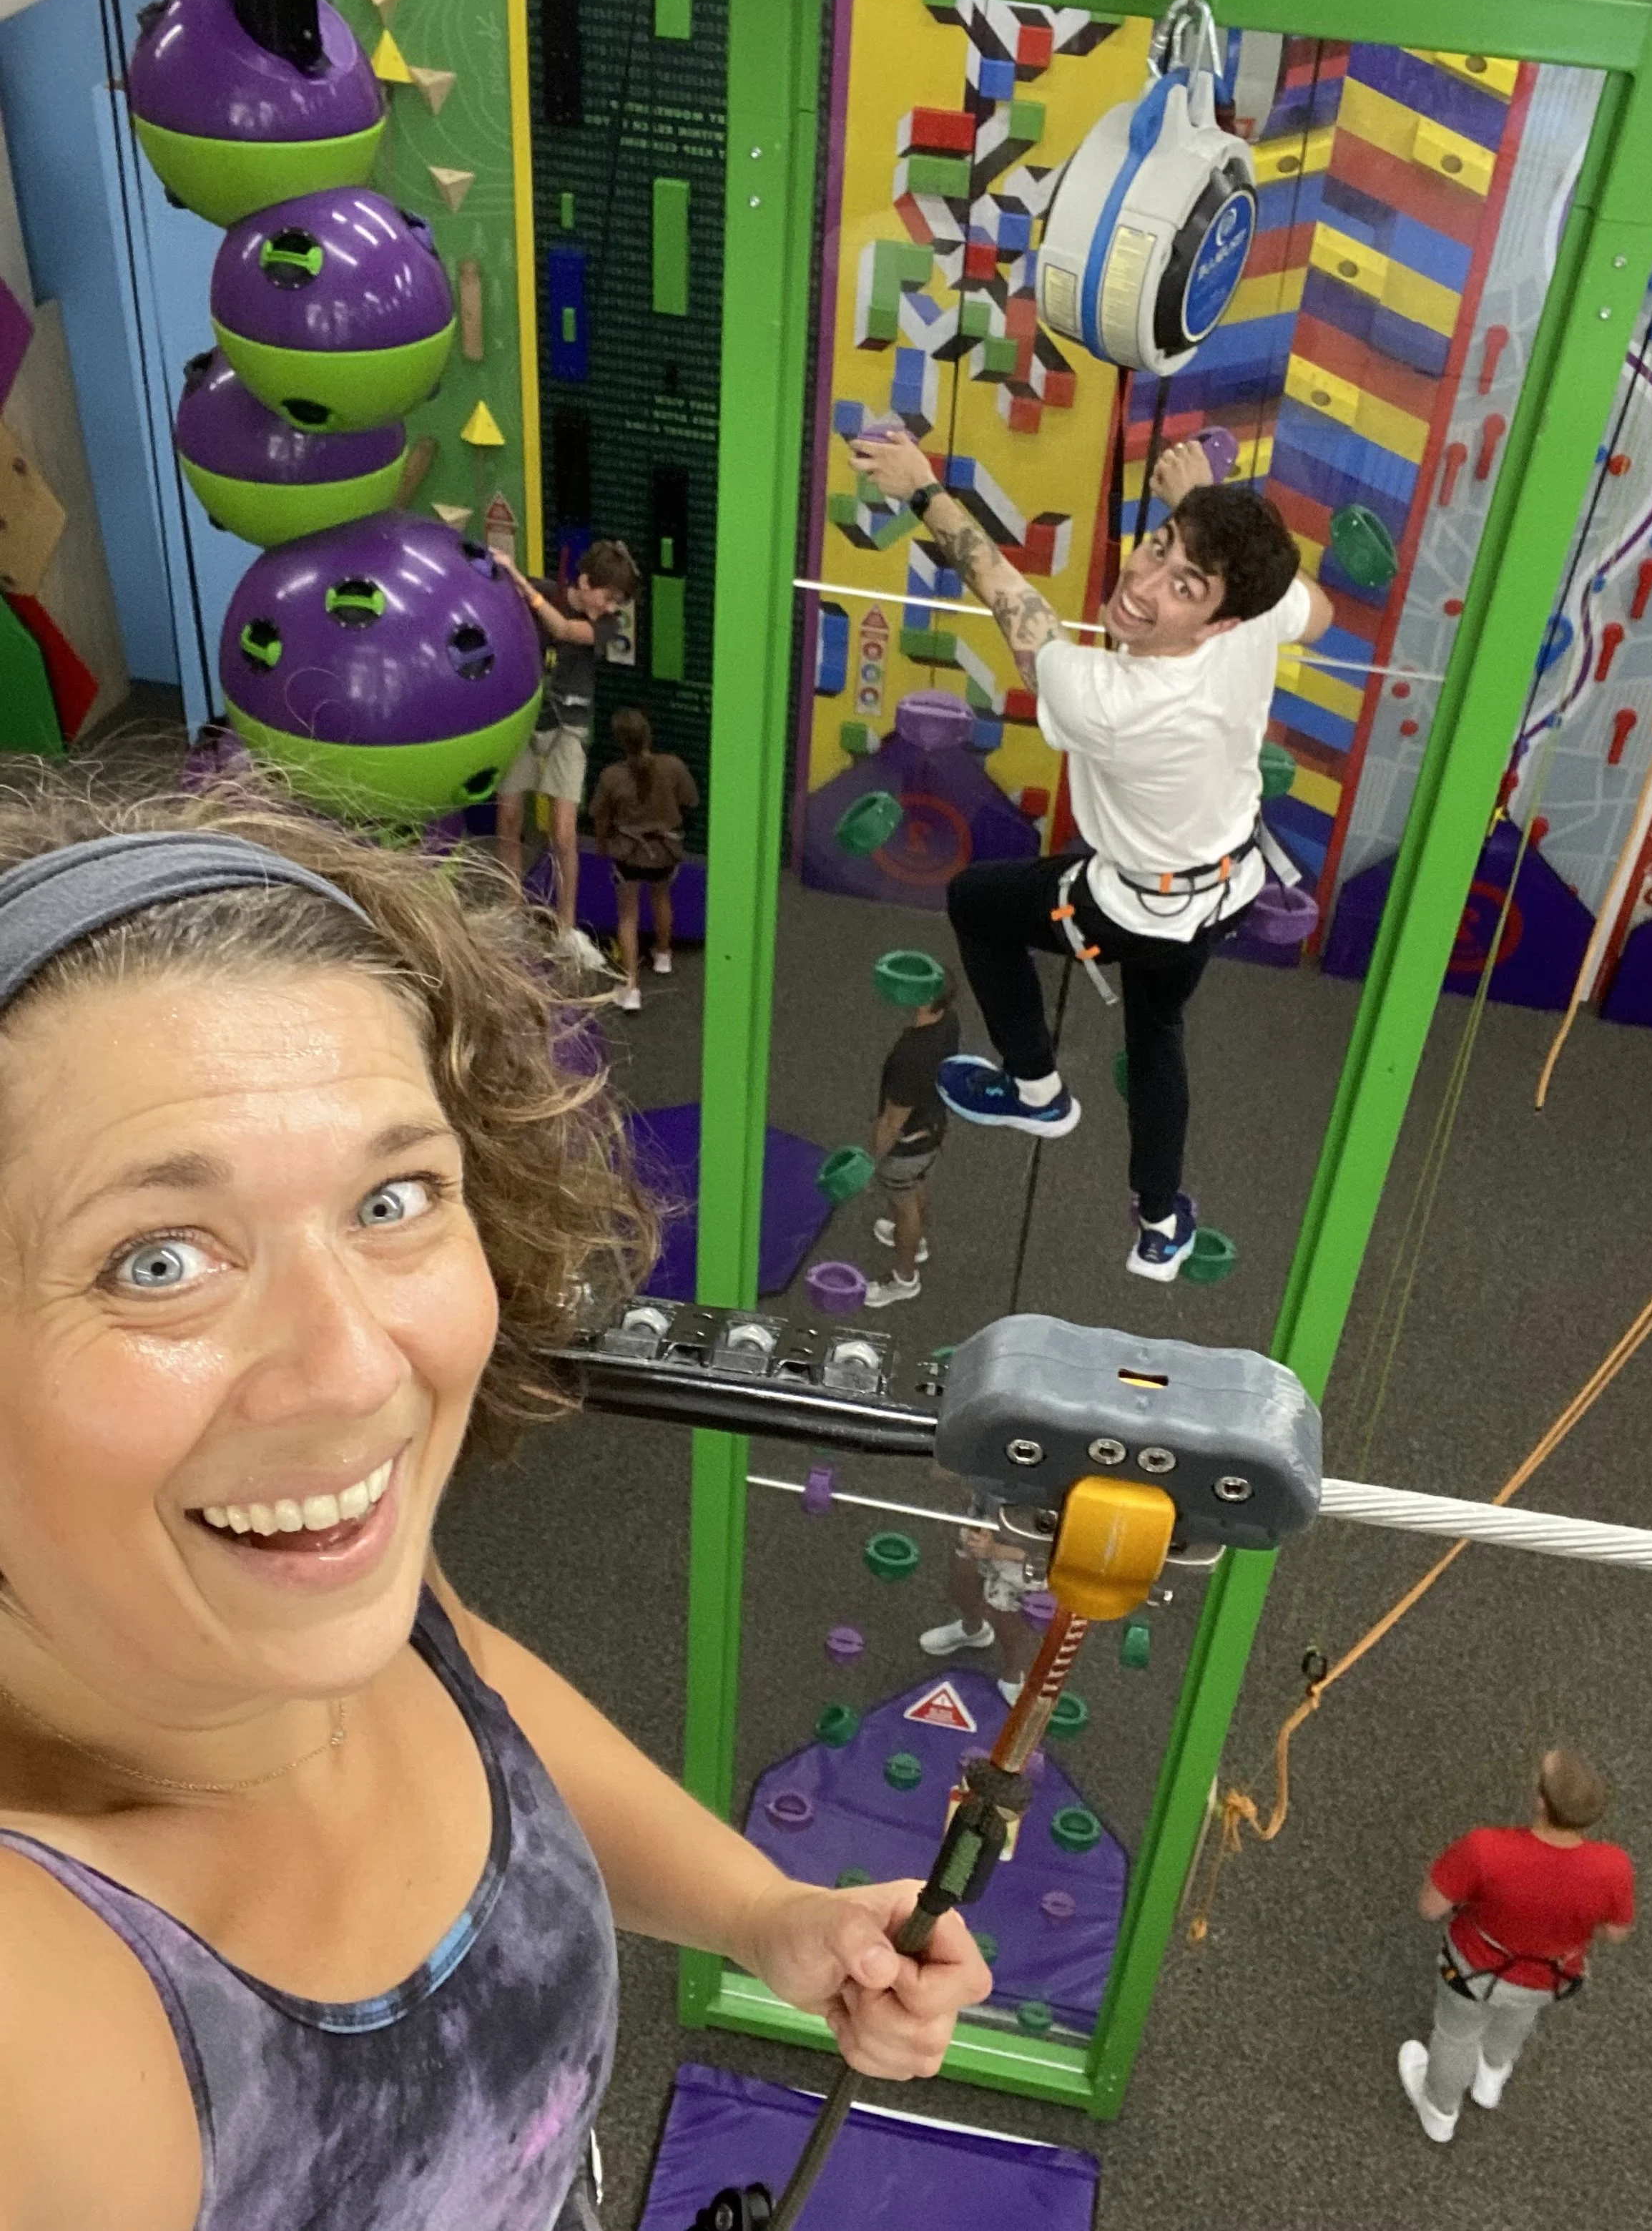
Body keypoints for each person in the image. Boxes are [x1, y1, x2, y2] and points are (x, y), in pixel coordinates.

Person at [0, 768, 990, 2231]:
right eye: (158, 1258)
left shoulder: (319, 1578)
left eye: (391, 1199)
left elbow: (477, 1686)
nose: (350, 1370)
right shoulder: (41, 2030)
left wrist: (758, 1911)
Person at [849, 428, 1331, 1280]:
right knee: (1157, 1033)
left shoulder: (1110, 697)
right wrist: (1196, 517)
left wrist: (924, 489)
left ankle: (1035, 1090)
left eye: (1183, 584)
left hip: (1132, 903)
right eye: (1157, 548)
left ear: (1221, 616)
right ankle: (1158, 1222)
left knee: (977, 900)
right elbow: (1314, 609)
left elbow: (1002, 591)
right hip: (1224, 890)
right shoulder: (1257, 617)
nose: (1141, 586)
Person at [1398, 1747, 1636, 2144]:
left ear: (1541, 1801)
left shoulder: (1485, 1849)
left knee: (1456, 2034)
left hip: (1475, 1968)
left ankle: (1440, 2111)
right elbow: (1616, 1932)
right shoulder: (1614, 1866)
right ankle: (1491, 2076)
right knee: (1517, 2018)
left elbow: (1429, 1908)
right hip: (1551, 1976)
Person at [493, 541, 641, 977]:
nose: (611, 607)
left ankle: (566, 929)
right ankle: (510, 914)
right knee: (510, 817)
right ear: (584, 582)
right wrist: (506, 570)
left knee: (563, 832)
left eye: (617, 602)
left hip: (569, 728)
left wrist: (521, 581)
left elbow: (562, 630)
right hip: (524, 720)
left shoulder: (607, 625)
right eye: (607, 596)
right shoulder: (543, 591)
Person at [590, 707, 699, 1014]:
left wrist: (602, 844)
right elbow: (691, 800)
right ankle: (663, 954)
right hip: (666, 853)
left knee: (628, 916)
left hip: (629, 856)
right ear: (648, 734)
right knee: (662, 897)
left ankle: (631, 987)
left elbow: (600, 816)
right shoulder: (673, 767)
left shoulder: (611, 777)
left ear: (619, 742)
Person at [864, 968, 960, 1309]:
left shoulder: (910, 1056)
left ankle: (905, 1279)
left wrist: (869, 1163)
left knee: (903, 1203)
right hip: (932, 1130)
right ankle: (915, 1242)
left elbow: (892, 1121)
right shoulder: (949, 1022)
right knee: (918, 1185)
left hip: (906, 1148)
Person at [918, 1515, 1038, 1707]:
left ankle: (1013, 1677)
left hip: (1029, 1546)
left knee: (1008, 1617)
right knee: (961, 1584)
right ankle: (973, 1631)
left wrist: (999, 1551)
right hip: (988, 1519)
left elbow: (1068, 1543)